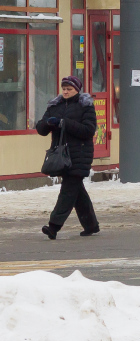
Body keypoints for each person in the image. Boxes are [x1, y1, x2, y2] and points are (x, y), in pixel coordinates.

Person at [36, 76, 99, 239]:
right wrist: (48, 124)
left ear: (77, 90)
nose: (65, 92)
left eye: (69, 89)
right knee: (77, 192)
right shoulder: (54, 106)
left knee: (68, 191)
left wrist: (64, 123)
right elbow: (41, 129)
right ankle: (91, 225)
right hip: (62, 155)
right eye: (63, 89)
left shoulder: (85, 106)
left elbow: (88, 130)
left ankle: (53, 227)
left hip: (80, 155)